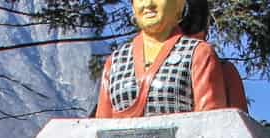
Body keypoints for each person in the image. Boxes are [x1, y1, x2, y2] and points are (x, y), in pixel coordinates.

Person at [94, 0, 247, 118]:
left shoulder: (199, 53)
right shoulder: (116, 61)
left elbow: (210, 125)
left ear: (179, 6)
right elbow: (100, 128)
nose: (148, 4)